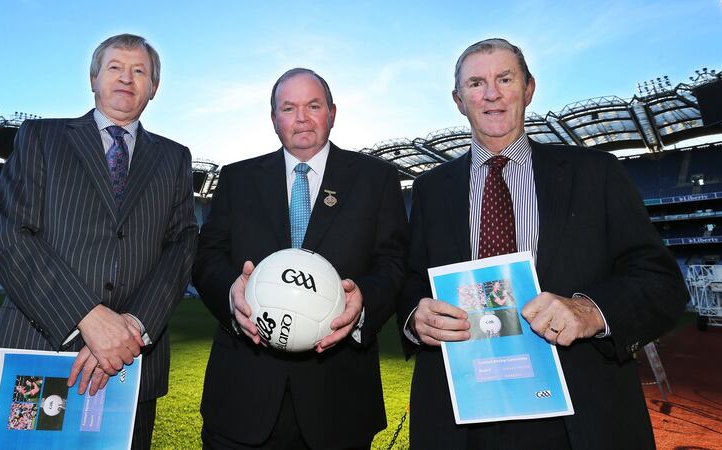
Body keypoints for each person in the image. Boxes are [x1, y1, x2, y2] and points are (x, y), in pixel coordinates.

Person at [397, 38, 688, 449]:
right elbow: (411, 279)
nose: (492, 94)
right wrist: (415, 316)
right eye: (476, 83)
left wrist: (590, 311)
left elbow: (661, 282)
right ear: (459, 100)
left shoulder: (596, 173)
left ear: (529, 88)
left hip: (579, 413)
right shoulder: (429, 189)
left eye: (504, 78)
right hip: (463, 413)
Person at [0, 33, 197, 449]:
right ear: (93, 78)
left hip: (130, 365)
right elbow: (9, 237)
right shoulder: (41, 138)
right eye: (114, 67)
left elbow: (181, 248)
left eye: (139, 71)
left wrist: (132, 327)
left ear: (154, 87)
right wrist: (88, 318)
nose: (126, 78)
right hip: (36, 352)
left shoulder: (175, 157)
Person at [192, 68, 409, 449]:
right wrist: (231, 294)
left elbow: (393, 263)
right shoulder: (237, 179)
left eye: (313, 105)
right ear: (274, 118)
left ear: (333, 112)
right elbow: (206, 257)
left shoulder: (377, 179)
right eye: (289, 108)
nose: (302, 118)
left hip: (339, 399)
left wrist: (363, 305)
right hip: (243, 397)